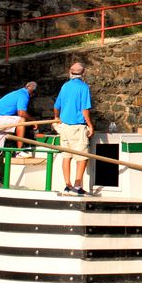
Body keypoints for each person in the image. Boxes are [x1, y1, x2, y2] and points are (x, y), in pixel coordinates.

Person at [0, 81, 38, 188]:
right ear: (32, 92)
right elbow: (21, 113)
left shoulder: (17, 93)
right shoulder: (24, 95)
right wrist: (33, 121)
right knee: (21, 120)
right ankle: (19, 151)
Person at [54, 62, 94, 195]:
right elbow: (84, 109)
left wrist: (56, 118)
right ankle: (77, 186)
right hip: (77, 127)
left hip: (64, 127)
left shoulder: (65, 86)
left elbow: (56, 106)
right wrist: (90, 125)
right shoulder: (84, 87)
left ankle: (67, 185)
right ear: (83, 73)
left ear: (70, 72)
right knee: (82, 157)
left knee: (66, 156)